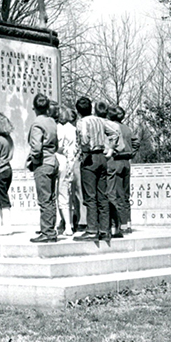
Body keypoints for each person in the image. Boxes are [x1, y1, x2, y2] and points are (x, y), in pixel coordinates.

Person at [74, 97, 117, 244]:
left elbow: (84, 139)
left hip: (90, 158)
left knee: (90, 196)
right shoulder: (100, 120)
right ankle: (105, 230)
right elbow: (114, 133)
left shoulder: (81, 122)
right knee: (102, 195)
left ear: (78, 111)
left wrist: (85, 148)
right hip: (102, 157)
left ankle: (92, 229)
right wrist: (110, 149)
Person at [27, 93, 59, 243]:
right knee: (51, 198)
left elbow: (36, 147)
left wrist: (34, 161)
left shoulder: (37, 124)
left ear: (34, 108)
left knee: (44, 199)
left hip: (43, 163)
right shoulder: (52, 122)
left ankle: (47, 232)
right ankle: (50, 229)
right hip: (53, 161)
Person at [95, 101, 126, 238]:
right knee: (110, 194)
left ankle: (108, 226)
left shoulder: (98, 124)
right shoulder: (115, 125)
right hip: (111, 159)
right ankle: (114, 226)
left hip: (104, 159)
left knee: (102, 195)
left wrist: (108, 150)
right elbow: (122, 147)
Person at [108, 105, 140, 234]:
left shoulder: (112, 127)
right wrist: (132, 152)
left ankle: (120, 225)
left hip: (116, 161)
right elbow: (136, 142)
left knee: (117, 194)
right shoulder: (127, 128)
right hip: (127, 162)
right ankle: (127, 224)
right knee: (125, 195)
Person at [55, 106, 79, 237]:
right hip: (70, 161)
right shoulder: (73, 129)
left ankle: (59, 223)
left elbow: (58, 147)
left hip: (58, 159)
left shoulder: (57, 128)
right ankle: (69, 225)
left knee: (56, 194)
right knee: (67, 195)